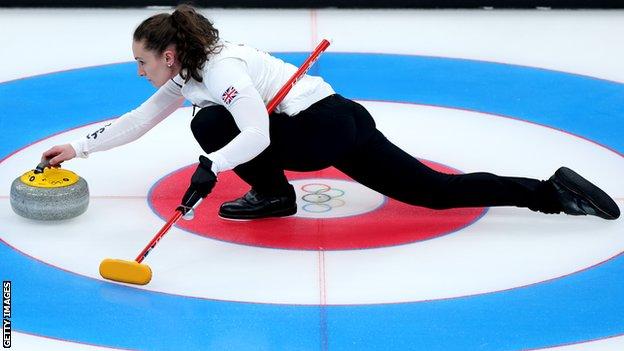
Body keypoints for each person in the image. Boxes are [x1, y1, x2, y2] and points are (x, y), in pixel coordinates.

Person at [42, 5, 620, 221]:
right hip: (317, 124)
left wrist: (211, 167)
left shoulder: (221, 72)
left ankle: (274, 193)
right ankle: (549, 192)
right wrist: (79, 147)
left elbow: (257, 131)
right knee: (430, 192)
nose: (139, 71)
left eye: (142, 61)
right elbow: (140, 118)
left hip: (326, 129)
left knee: (212, 128)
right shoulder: (188, 73)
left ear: (167, 54)